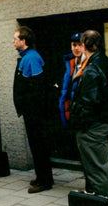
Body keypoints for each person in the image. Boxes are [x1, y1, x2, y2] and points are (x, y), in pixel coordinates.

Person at [68, 29, 108, 206]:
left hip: (94, 126)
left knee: (98, 172)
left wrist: (80, 122)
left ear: (84, 46)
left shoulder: (92, 68)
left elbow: (88, 102)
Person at [12, 25, 54, 193]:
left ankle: (44, 180)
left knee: (39, 146)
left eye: (15, 38)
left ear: (23, 41)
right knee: (36, 146)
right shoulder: (26, 57)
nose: (13, 41)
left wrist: (30, 109)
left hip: (35, 113)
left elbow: (38, 89)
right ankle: (42, 176)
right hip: (32, 112)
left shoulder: (31, 58)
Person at [58, 33, 85, 127]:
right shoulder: (68, 63)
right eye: (74, 45)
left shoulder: (90, 64)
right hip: (68, 113)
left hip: (83, 118)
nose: (76, 48)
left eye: (80, 45)